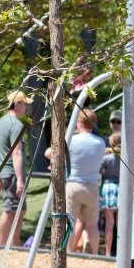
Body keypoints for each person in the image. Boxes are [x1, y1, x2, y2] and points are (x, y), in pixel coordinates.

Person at [46, 108, 106, 254]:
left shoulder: (71, 140)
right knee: (92, 225)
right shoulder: (101, 143)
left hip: (73, 184)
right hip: (92, 186)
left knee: (69, 222)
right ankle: (95, 254)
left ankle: (68, 252)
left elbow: (48, 153)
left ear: (78, 122)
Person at [0, 91, 32, 246]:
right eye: (25, 103)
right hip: (11, 173)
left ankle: (14, 244)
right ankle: (3, 246)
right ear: (17, 104)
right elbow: (16, 152)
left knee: (20, 209)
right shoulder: (16, 125)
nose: (27, 107)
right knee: (10, 210)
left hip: (4, 172)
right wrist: (20, 179)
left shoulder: (1, 122)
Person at [100, 132, 121, 256]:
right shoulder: (126, 158)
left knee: (109, 223)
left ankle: (108, 252)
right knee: (121, 224)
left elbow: (99, 170)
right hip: (121, 188)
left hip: (108, 187)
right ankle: (121, 251)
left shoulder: (107, 158)